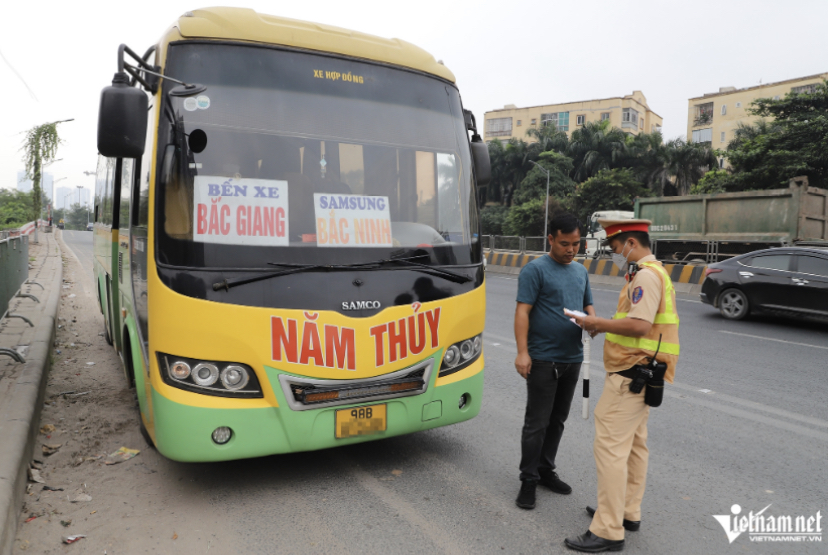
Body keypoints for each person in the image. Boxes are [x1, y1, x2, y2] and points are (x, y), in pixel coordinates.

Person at [565, 219, 680, 553]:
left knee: (611, 451)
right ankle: (627, 511)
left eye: (616, 248)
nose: (615, 254)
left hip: (632, 374)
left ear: (631, 242)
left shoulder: (645, 275)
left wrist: (596, 323)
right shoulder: (654, 272)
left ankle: (608, 529)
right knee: (634, 447)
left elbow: (640, 325)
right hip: (645, 372)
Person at [514, 213, 595, 510]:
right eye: (564, 243)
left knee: (558, 421)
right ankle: (528, 479)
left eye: (575, 244)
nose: (571, 249)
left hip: (573, 358)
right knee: (537, 423)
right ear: (550, 239)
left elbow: (587, 304)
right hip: (543, 360)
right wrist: (523, 352)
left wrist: (592, 321)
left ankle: (546, 470)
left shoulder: (580, 271)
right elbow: (523, 312)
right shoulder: (535, 270)